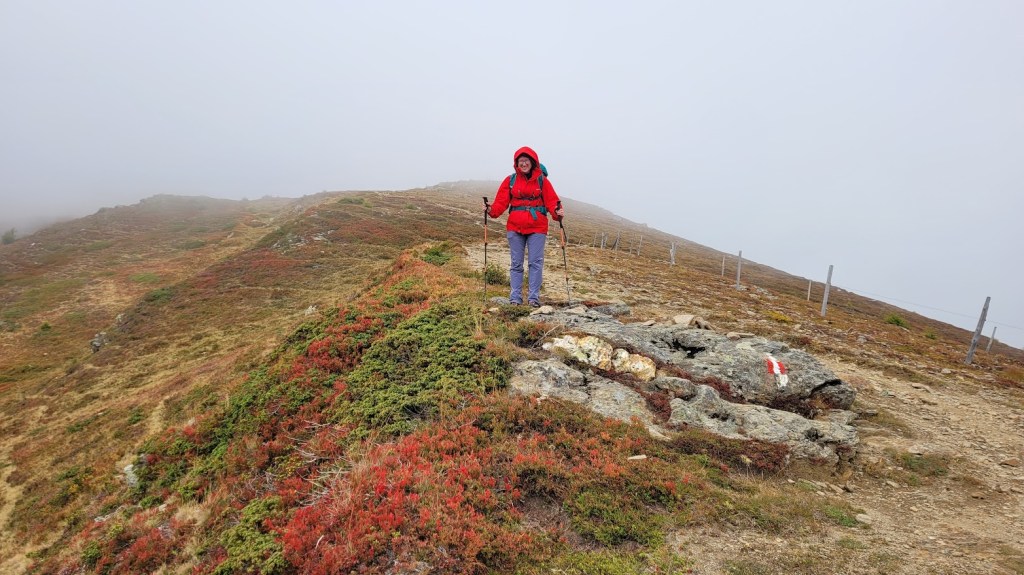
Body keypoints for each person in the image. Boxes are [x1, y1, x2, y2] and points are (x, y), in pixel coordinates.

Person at [485, 146, 564, 307]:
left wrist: (557, 213)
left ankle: (533, 298)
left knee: (535, 263)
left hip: (537, 227)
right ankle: (515, 298)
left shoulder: (542, 181)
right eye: (520, 161)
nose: (523, 164)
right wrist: (490, 210)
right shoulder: (510, 180)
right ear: (517, 163)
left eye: (526, 160)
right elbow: (500, 203)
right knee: (516, 263)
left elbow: (552, 202)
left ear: (532, 162)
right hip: (515, 227)